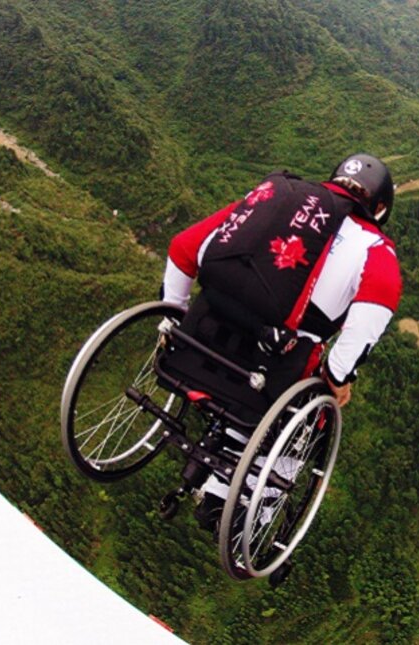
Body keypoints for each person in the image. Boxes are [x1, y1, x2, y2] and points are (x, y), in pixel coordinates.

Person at [159, 153, 401, 525]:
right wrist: (338, 379)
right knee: (314, 415)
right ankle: (255, 506)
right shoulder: (376, 250)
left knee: (245, 374)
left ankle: (222, 469)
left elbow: (183, 248)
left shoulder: (279, 201)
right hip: (274, 370)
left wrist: (173, 317)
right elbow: (368, 320)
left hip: (199, 341)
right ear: (380, 208)